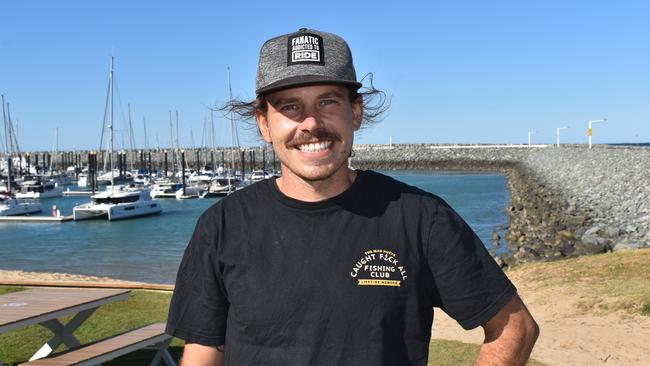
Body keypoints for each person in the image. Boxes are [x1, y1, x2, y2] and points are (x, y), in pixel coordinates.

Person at [166, 28, 539, 366]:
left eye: (327, 101)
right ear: (264, 123)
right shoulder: (222, 225)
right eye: (290, 106)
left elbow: (514, 327)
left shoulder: (421, 218)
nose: (310, 123)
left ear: (355, 113)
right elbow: (205, 348)